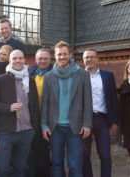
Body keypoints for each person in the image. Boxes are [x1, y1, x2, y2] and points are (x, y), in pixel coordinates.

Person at [41, 41, 92, 177]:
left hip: (75, 128)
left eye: (65, 54)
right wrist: (44, 124)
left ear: (70, 55)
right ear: (55, 56)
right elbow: (45, 102)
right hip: (55, 128)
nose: (62, 57)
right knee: (57, 163)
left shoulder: (83, 75)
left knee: (74, 165)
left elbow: (88, 101)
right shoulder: (48, 77)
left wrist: (87, 124)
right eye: (59, 54)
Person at [0, 50, 39, 177]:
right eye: (15, 58)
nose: (18, 61)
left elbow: (34, 105)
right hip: (7, 131)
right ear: (10, 61)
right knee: (2, 167)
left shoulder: (30, 80)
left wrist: (34, 128)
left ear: (24, 61)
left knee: (20, 167)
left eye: (20, 58)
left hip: (26, 131)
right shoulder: (1, 80)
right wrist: (8, 107)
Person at [82, 49, 120, 177]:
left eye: (92, 57)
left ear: (97, 59)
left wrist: (115, 121)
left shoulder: (107, 76)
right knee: (84, 154)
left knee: (104, 154)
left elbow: (114, 99)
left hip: (101, 120)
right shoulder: (78, 76)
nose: (89, 60)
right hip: (84, 120)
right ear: (83, 60)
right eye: (86, 57)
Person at [26, 48, 53, 177]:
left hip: (48, 119)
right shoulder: (30, 75)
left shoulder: (55, 74)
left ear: (50, 60)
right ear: (36, 60)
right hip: (32, 119)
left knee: (44, 151)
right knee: (31, 150)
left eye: (45, 58)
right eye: (40, 58)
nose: (42, 61)